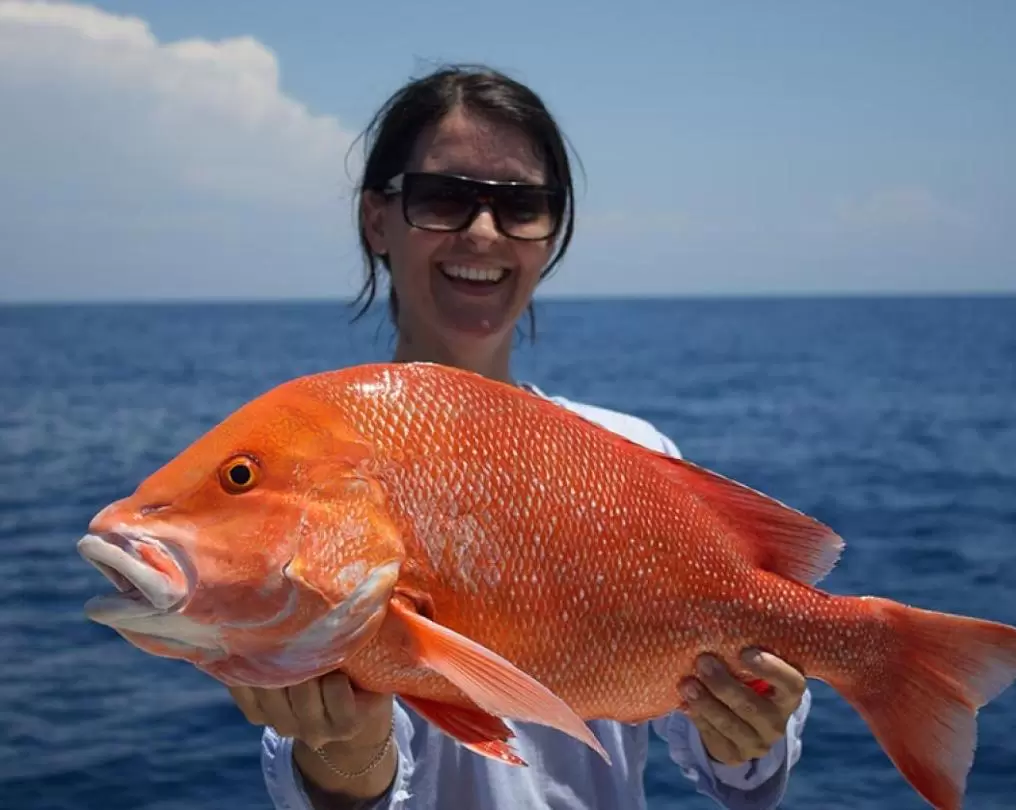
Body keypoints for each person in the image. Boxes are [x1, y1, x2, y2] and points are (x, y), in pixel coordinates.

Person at [228, 64, 812, 810]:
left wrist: (751, 733)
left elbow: (736, 768)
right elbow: (344, 777)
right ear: (377, 218)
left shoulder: (630, 449)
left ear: (552, 230)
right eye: (444, 198)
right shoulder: (318, 457)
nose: (482, 232)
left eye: (522, 206)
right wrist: (345, 751)